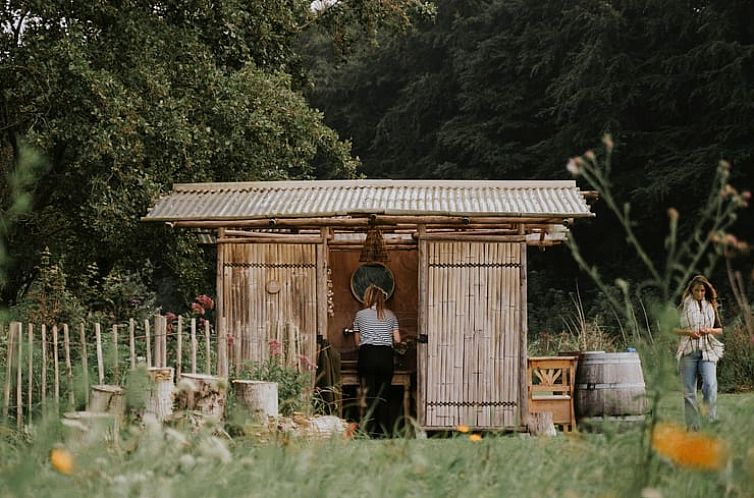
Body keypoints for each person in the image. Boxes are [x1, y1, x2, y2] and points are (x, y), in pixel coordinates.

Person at [674, 275, 724, 430]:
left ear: (706, 291)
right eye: (697, 290)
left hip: (707, 350)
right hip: (688, 351)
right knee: (689, 391)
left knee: (710, 385)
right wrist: (689, 333)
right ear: (691, 290)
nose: (700, 293)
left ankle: (709, 420)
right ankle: (693, 426)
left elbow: (720, 329)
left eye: (703, 290)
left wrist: (709, 330)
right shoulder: (683, 306)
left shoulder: (711, 306)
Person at [352, 284, 401, 437]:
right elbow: (398, 339)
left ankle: (368, 431)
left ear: (367, 298)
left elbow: (357, 342)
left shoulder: (360, 315)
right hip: (386, 356)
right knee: (383, 395)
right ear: (382, 299)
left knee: (369, 395)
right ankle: (383, 432)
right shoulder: (391, 315)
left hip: (367, 355)